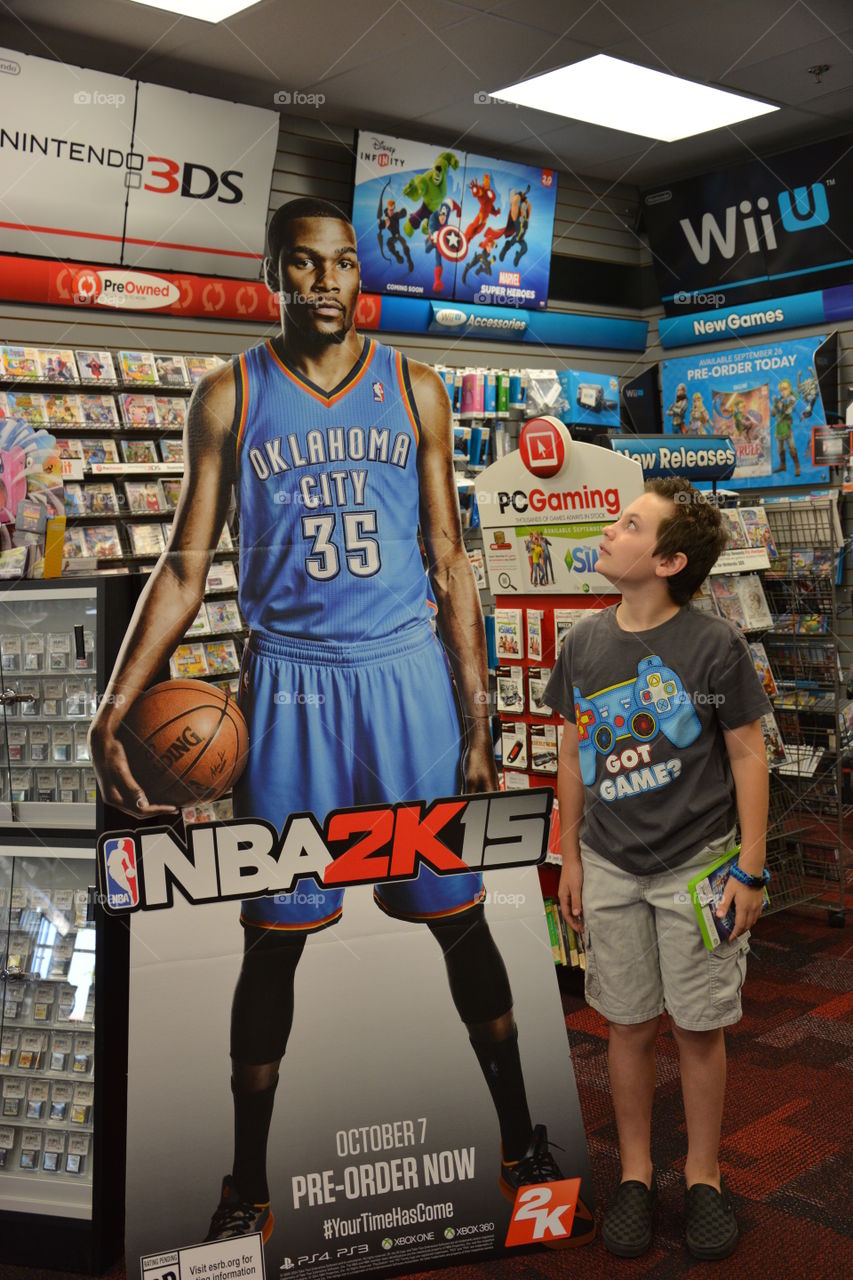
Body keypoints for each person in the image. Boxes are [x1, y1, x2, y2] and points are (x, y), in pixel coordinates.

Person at [89, 197, 577, 1247]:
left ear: (360, 276)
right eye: (304, 263)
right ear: (272, 271)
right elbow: (184, 562)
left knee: (460, 915)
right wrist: (117, 700)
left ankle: (521, 1135)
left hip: (404, 680)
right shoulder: (227, 393)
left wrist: (478, 722)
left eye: (342, 263)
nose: (325, 280)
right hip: (294, 687)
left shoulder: (418, 388)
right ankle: (247, 1181)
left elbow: (451, 562)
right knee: (273, 940)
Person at [544, 477, 770, 1261]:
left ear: (668, 560)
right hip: (608, 866)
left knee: (699, 1029)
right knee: (627, 1023)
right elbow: (572, 754)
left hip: (699, 868)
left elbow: (746, 753)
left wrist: (750, 865)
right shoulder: (581, 643)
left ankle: (701, 1175)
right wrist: (566, 855)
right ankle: (636, 1174)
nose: (609, 529)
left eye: (629, 524)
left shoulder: (713, 645)